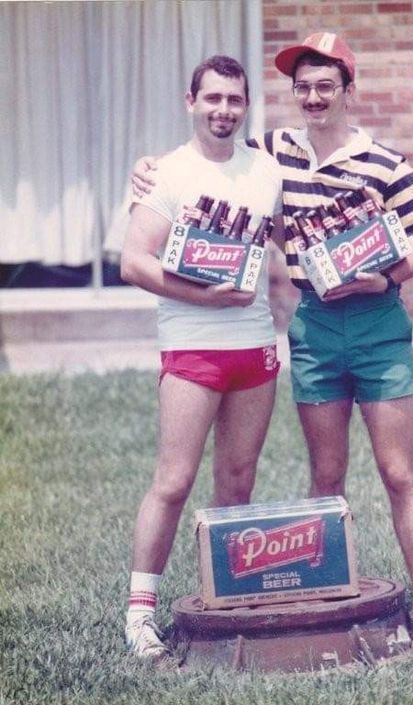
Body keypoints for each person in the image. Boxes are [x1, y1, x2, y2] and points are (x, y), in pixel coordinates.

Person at [131, 32, 413, 644]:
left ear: (348, 92)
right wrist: (147, 167)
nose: (313, 97)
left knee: (397, 470)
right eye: (302, 87)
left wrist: (388, 273)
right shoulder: (274, 151)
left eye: (325, 86)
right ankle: (325, 592)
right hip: (314, 323)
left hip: (379, 321)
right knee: (325, 470)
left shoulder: (383, 160)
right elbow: (209, 151)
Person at [121, 54, 282, 668]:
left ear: (246, 105)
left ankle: (227, 598)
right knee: (174, 480)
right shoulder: (167, 171)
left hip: (255, 344)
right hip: (192, 345)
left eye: (234, 100)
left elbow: (290, 237)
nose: (223, 110)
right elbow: (135, 261)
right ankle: (140, 613)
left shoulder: (266, 171)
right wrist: (201, 295)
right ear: (191, 102)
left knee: (237, 481)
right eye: (212, 98)